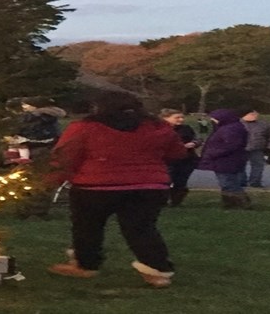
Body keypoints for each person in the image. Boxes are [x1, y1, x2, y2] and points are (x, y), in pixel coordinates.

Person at [47, 92, 188, 288]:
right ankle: (158, 271)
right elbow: (178, 152)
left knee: (88, 227)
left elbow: (65, 156)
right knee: (142, 229)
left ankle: (86, 264)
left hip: (95, 184)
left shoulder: (85, 127)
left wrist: (53, 178)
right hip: (149, 185)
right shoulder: (158, 127)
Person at [10, 99, 66, 219]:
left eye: (26, 104)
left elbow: (15, 129)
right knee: (45, 180)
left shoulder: (29, 118)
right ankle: (40, 210)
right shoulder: (52, 118)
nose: (24, 106)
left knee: (25, 179)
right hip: (49, 149)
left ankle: (26, 210)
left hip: (29, 149)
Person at [198, 109, 251, 208]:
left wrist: (212, 153)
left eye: (214, 119)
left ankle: (240, 203)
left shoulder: (230, 129)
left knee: (229, 183)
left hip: (227, 160)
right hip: (226, 160)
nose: (213, 121)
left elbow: (231, 145)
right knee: (227, 182)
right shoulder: (229, 127)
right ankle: (230, 203)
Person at [160, 110, 200, 207]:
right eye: (177, 117)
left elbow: (197, 139)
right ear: (166, 118)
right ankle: (162, 201)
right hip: (167, 159)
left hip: (186, 159)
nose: (181, 120)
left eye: (182, 117)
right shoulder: (160, 129)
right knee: (165, 181)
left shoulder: (186, 128)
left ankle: (176, 202)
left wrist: (194, 143)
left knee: (181, 181)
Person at [241, 110, 270, 188]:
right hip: (241, 148)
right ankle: (241, 181)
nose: (253, 115)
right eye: (250, 113)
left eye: (254, 113)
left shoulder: (264, 124)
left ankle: (255, 182)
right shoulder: (237, 124)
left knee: (258, 165)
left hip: (258, 148)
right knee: (240, 165)